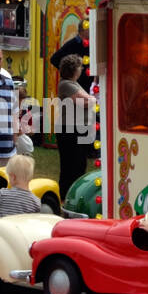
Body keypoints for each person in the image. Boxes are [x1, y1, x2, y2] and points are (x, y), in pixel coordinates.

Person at [56, 54, 94, 199]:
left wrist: (89, 100)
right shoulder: (66, 84)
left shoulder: (74, 84)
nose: (82, 70)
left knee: (79, 165)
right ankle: (66, 196)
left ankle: (75, 195)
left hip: (79, 129)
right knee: (70, 166)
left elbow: (88, 100)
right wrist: (90, 100)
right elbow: (86, 100)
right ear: (74, 69)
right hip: (70, 130)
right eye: (80, 67)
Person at [49, 26, 93, 92]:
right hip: (76, 85)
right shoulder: (72, 44)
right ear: (83, 30)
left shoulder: (91, 43)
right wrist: (69, 73)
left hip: (88, 84)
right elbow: (54, 59)